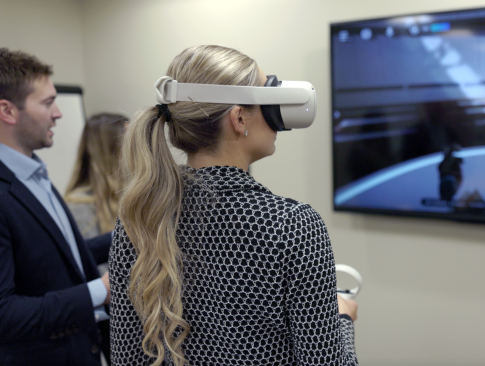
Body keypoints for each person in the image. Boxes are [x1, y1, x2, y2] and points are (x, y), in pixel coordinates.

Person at [109, 45, 359, 366]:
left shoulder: (139, 220)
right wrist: (342, 319)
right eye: (268, 98)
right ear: (239, 118)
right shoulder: (292, 225)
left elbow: (128, 357)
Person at [0, 48, 111, 366]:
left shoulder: (33, 172)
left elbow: (58, 260)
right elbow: (4, 315)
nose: (59, 113)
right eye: (48, 103)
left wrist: (129, 235)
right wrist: (99, 291)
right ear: (8, 111)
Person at [65, 113, 128, 239]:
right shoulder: (78, 207)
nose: (140, 149)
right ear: (111, 150)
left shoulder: (129, 195)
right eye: (131, 141)